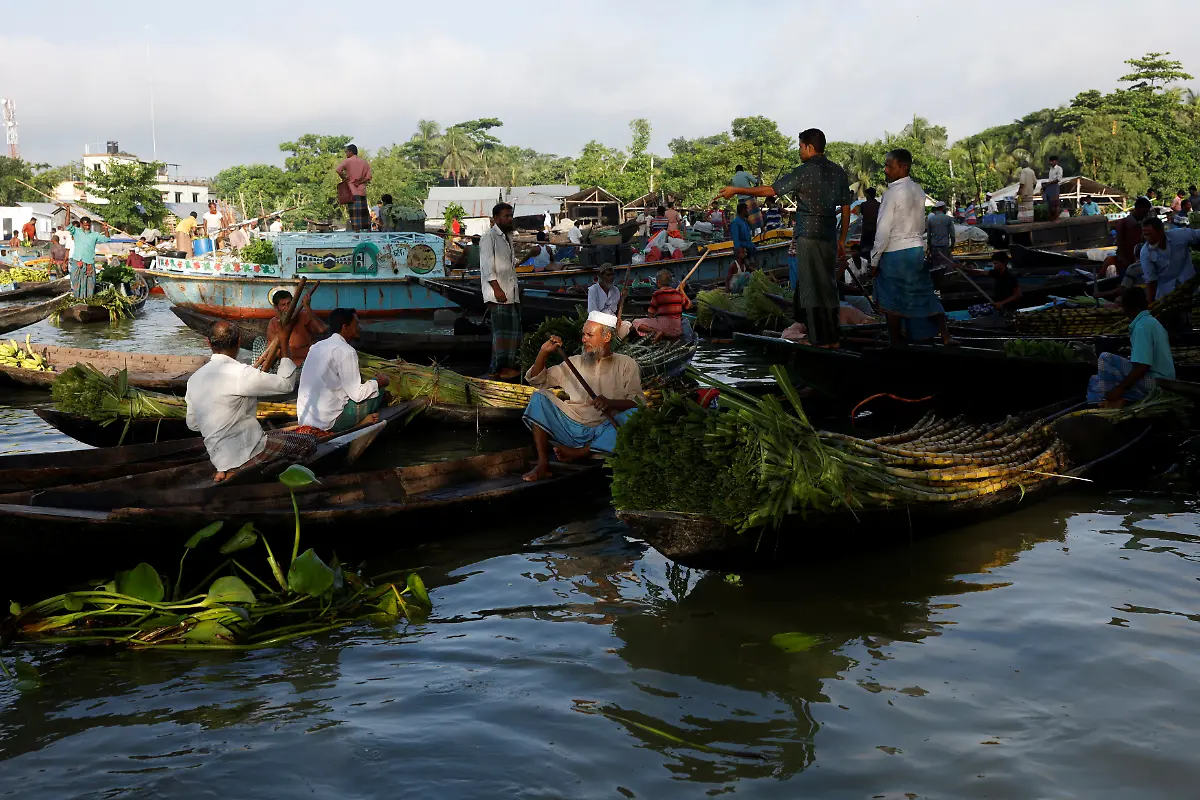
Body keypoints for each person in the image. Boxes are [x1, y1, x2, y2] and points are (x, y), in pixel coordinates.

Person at [719, 128, 851, 347]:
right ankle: (832, 338)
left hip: (808, 236)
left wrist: (736, 189)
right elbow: (845, 208)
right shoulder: (838, 172)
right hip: (829, 235)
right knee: (827, 286)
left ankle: (820, 341)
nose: (799, 151)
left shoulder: (804, 171)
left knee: (810, 289)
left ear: (809, 147)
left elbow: (771, 190)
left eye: (800, 146)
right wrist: (842, 239)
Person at [185, 319, 317, 482]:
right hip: (247, 451)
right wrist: (284, 343)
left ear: (208, 343)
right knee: (308, 441)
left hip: (218, 456)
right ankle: (263, 478)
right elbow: (286, 385)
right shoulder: (241, 374)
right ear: (239, 341)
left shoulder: (194, 379)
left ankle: (230, 470)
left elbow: (193, 424)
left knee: (277, 434)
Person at [521, 312, 643, 482]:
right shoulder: (574, 361)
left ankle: (581, 453)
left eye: (589, 335)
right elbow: (537, 380)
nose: (584, 339)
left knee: (635, 416)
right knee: (539, 397)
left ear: (607, 336)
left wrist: (610, 403)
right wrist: (543, 353)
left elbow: (637, 403)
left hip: (603, 430)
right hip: (571, 428)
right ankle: (543, 464)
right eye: (583, 334)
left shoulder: (626, 364)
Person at [871, 149, 949, 345]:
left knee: (891, 300)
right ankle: (945, 336)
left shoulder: (892, 193)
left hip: (895, 253)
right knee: (922, 292)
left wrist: (874, 259)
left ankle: (896, 343)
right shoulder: (918, 190)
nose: (886, 170)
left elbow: (882, 231)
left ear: (903, 167)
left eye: (890, 166)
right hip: (915, 250)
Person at [297, 307, 389, 432]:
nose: (359, 327)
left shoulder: (316, 346)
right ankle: (360, 424)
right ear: (345, 327)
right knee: (379, 387)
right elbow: (357, 395)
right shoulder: (347, 351)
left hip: (305, 418)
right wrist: (380, 382)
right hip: (329, 422)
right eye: (356, 323)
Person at [1087, 288, 1174, 408]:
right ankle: (1116, 400)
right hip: (1162, 381)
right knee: (1095, 380)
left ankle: (1108, 403)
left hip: (1158, 383)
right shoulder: (1151, 322)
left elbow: (1143, 366)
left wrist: (1119, 388)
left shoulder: (1142, 326)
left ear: (1129, 307)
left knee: (1105, 358)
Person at [480, 202, 521, 380]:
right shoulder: (489, 237)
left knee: (512, 333)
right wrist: (497, 290)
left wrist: (529, 256)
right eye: (506, 216)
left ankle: (506, 368)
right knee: (500, 335)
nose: (509, 219)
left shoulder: (508, 236)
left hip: (510, 292)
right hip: (498, 294)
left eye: (511, 216)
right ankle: (496, 368)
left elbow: (510, 266)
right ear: (496, 218)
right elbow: (487, 268)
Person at [258, 288, 328, 366]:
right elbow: (275, 352)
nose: (287, 308)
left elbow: (322, 330)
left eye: (289, 304)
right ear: (276, 307)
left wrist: (307, 307)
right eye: (283, 305)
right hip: (285, 364)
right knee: (258, 342)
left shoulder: (303, 316)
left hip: (305, 363)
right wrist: (266, 362)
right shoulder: (274, 323)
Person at [1140, 215, 1200, 302]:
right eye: (1145, 235)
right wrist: (1151, 304)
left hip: (1191, 287)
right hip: (1167, 297)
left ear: (1161, 231)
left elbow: (1197, 234)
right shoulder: (1145, 253)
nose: (1147, 238)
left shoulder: (1180, 235)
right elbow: (1151, 281)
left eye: (1150, 234)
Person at [632, 268, 691, 341]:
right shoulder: (678, 294)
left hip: (662, 326)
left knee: (636, 322)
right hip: (677, 330)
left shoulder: (657, 294)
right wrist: (682, 290)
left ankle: (656, 332)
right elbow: (689, 306)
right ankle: (663, 334)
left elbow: (651, 315)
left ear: (658, 282)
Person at [63, 213, 111, 298]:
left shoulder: (94, 235)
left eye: (89, 225)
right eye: (85, 225)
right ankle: (77, 299)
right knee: (76, 282)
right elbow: (67, 224)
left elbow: (107, 239)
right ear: (81, 225)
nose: (87, 227)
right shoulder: (76, 232)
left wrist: (106, 229)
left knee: (90, 284)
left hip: (89, 263)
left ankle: (88, 300)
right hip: (78, 261)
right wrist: (68, 211)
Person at [965, 250, 1022, 317]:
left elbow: (1018, 294)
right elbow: (981, 272)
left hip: (1007, 308)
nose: (994, 266)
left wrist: (1001, 303)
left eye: (996, 263)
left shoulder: (1010, 277)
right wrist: (964, 269)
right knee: (972, 309)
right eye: (993, 263)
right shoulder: (996, 273)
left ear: (1003, 263)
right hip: (996, 305)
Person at [335, 144, 373, 232]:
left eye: (346, 151)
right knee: (364, 213)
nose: (345, 153)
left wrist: (344, 178)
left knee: (354, 214)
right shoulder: (364, 162)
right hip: (362, 191)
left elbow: (338, 169)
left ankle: (357, 233)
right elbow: (368, 177)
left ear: (351, 151)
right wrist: (360, 182)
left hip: (351, 191)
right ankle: (368, 232)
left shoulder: (348, 161)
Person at [1114, 196, 1152, 275]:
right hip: (1126, 259)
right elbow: (1120, 243)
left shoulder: (1144, 223)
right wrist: (1124, 261)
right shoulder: (1123, 223)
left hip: (1139, 259)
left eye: (1147, 212)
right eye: (1144, 211)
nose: (1146, 214)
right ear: (1137, 208)